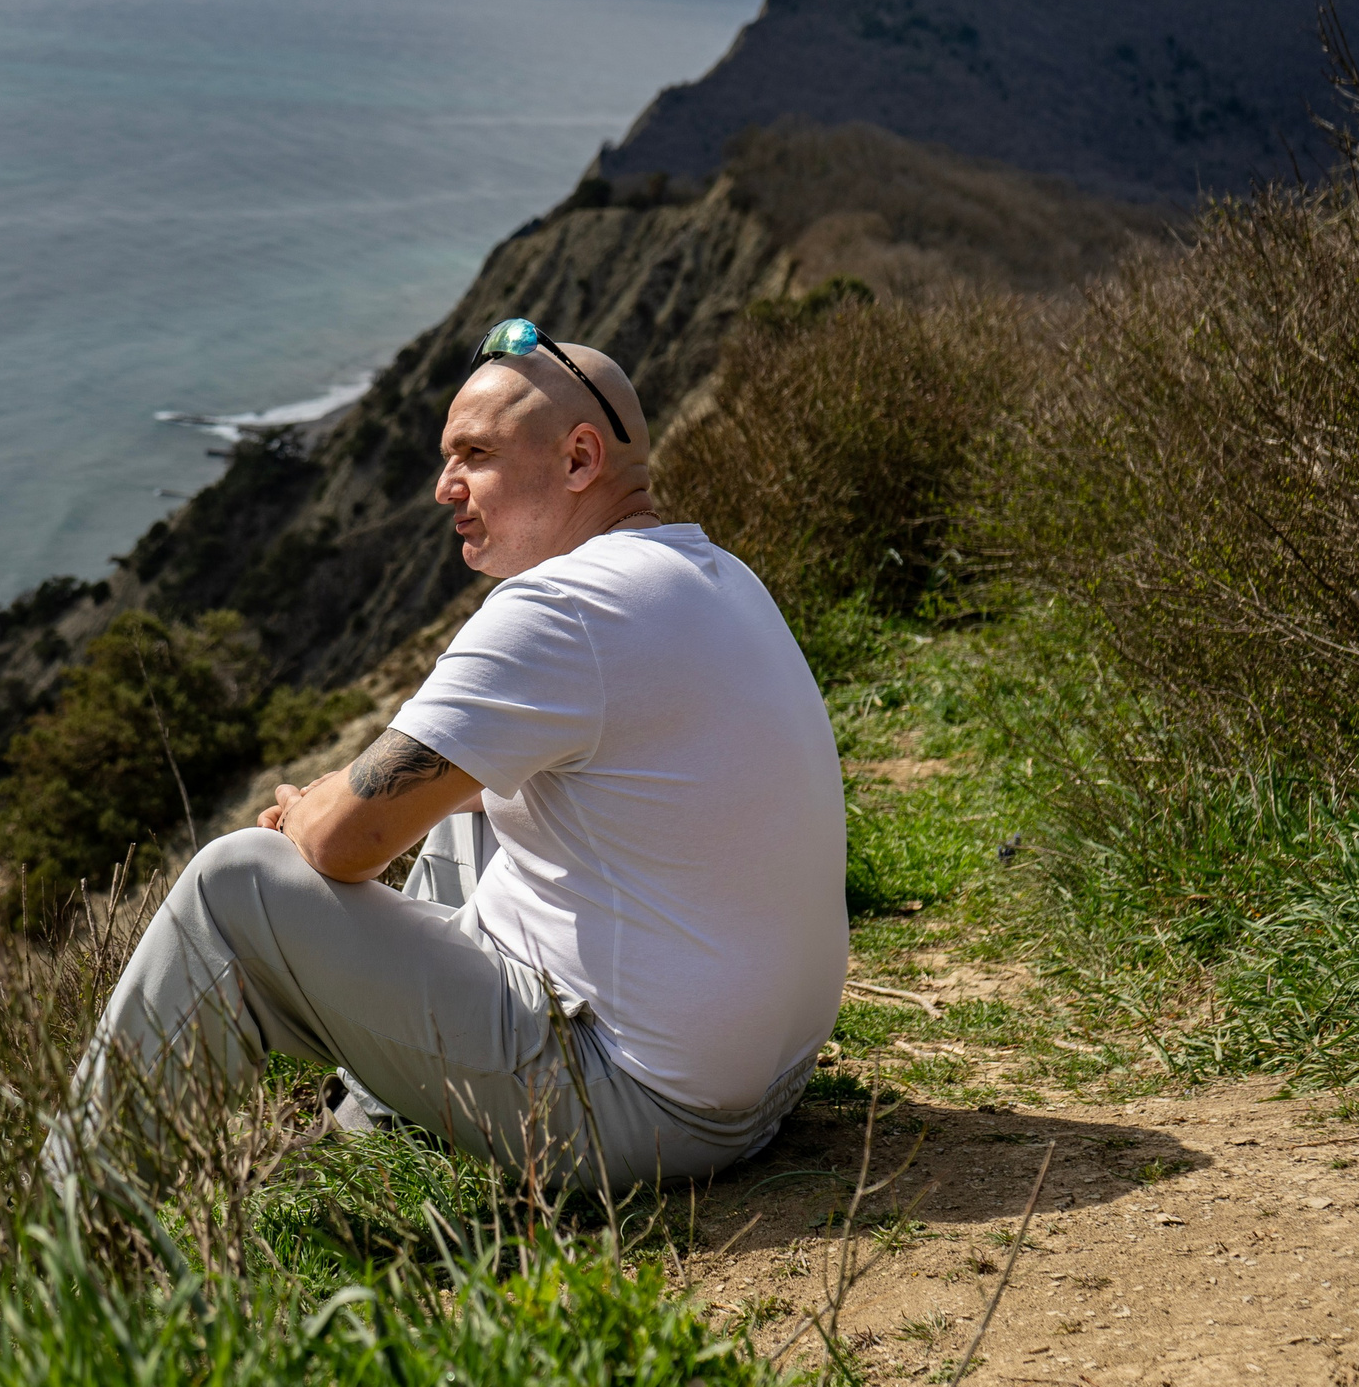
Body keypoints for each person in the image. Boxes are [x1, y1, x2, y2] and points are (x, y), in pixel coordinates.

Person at [47, 318, 846, 1194]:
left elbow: (343, 842)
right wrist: (354, 801)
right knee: (466, 801)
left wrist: (313, 812)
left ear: (580, 460)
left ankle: (71, 1236)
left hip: (644, 1115)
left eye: (474, 454)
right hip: (765, 1079)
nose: (443, 487)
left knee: (233, 883)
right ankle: (374, 1113)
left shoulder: (562, 607)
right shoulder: (715, 573)